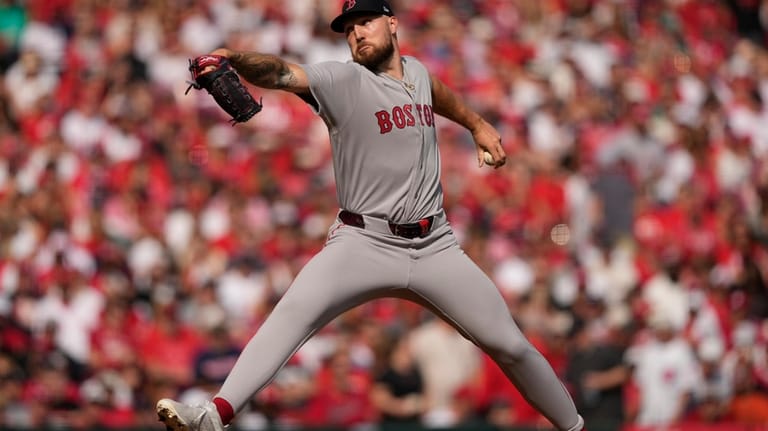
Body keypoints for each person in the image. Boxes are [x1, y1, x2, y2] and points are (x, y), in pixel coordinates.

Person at [155, 1, 584, 431]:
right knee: (292, 315)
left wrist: (476, 124)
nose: (357, 32)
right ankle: (213, 415)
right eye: (349, 28)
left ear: (392, 23)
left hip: (434, 245)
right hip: (364, 242)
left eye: (366, 21)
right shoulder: (344, 81)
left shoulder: (416, 73)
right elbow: (282, 73)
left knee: (511, 345)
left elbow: (434, 91)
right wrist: (236, 58)